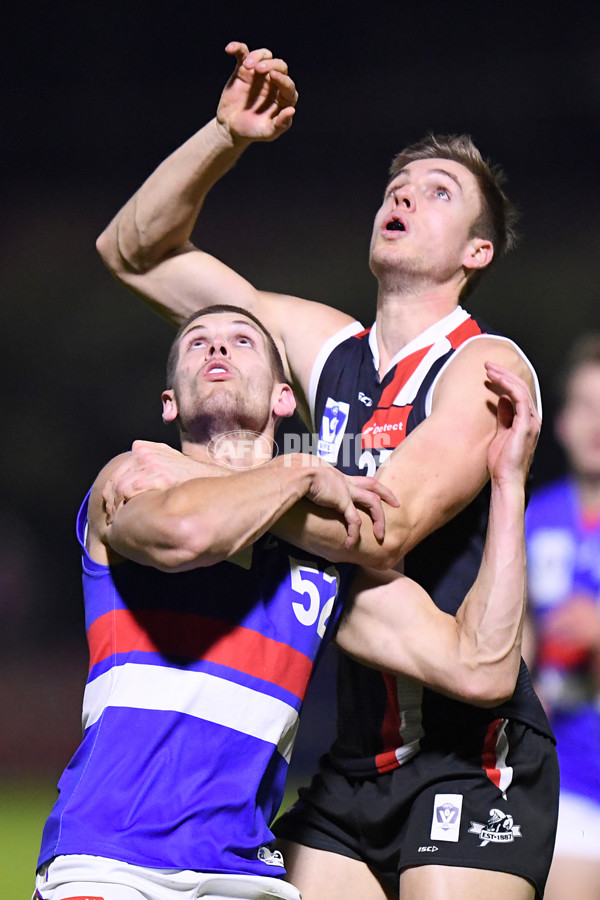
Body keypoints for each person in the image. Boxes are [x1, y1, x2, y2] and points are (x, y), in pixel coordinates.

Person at [95, 43, 558, 900]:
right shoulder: (329, 349)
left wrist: (212, 484)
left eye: (437, 191)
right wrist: (223, 137)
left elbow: (385, 528)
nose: (405, 193)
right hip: (353, 759)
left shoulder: (480, 366)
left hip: (468, 752)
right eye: (398, 183)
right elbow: (135, 253)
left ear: (477, 254)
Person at [34, 304, 539, 900]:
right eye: (197, 344)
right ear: (169, 403)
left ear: (281, 398)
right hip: (111, 862)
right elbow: (188, 535)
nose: (217, 350)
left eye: (241, 340)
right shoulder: (136, 476)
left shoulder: (321, 568)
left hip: (245, 875)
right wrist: (299, 473)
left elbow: (482, 666)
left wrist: (508, 486)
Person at [524, 334, 600, 900]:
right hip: (570, 762)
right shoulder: (533, 516)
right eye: (585, 407)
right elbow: (518, 625)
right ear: (563, 421)